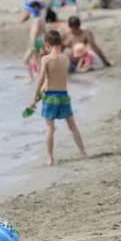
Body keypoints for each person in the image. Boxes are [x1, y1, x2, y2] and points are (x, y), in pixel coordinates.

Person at [28, 29, 88, 167]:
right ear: (60, 43)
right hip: (63, 96)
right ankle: (83, 152)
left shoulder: (46, 59)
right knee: (72, 126)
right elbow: (56, 78)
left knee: (50, 128)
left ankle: (50, 158)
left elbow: (42, 79)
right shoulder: (65, 59)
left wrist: (35, 97)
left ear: (47, 44)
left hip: (50, 98)